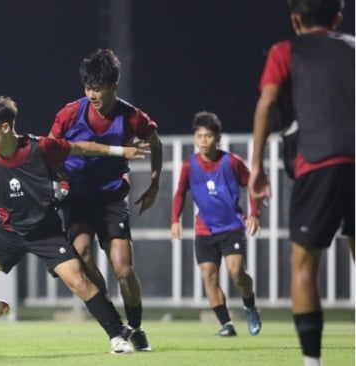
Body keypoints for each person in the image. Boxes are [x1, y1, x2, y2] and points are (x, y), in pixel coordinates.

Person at [0, 96, 150, 354]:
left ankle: (117, 336)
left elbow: (80, 147)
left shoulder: (41, 148)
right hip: (9, 232)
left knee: (79, 281)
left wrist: (120, 151)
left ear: (6, 127)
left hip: (45, 233)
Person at [249, 0, 354, 364]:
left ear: (296, 19)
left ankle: (313, 362)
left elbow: (266, 104)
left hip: (319, 161)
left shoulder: (284, 50)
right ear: (338, 18)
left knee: (304, 265)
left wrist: (257, 166)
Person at [48, 48, 162, 351]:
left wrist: (154, 186)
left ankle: (136, 327)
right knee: (82, 254)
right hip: (77, 197)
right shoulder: (70, 113)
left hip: (111, 197)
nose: (92, 93)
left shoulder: (132, 116)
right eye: (88, 88)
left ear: (114, 86)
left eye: (97, 88)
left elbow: (155, 142)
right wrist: (57, 175)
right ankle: (114, 321)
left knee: (123, 269)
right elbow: (51, 148)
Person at [171, 111, 262, 337]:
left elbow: (252, 185)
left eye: (208, 136)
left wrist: (254, 214)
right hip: (205, 230)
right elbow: (180, 193)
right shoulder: (189, 165)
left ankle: (249, 305)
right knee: (209, 275)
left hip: (231, 227)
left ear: (218, 138)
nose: (203, 141)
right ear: (194, 138)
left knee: (236, 273)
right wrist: (175, 220)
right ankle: (226, 325)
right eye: (199, 136)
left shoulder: (231, 162)